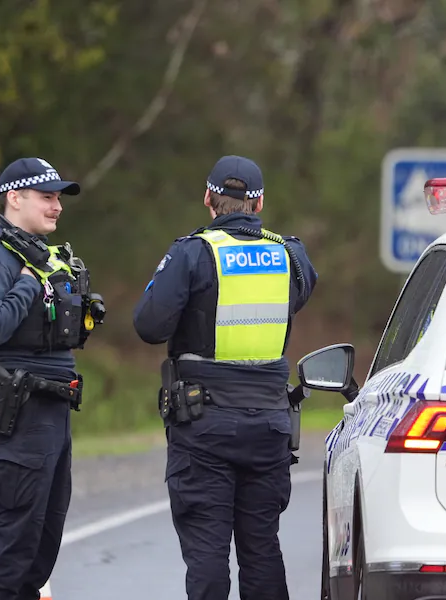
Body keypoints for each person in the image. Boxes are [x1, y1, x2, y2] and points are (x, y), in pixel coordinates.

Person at [132, 155, 318, 600]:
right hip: (270, 423)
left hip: (204, 424)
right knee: (261, 550)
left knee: (208, 553)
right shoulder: (290, 255)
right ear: (258, 204)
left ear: (208, 198)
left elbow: (149, 325)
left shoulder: (192, 253)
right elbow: (301, 292)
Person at [0, 157, 106, 600]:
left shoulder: (46, 258)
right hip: (22, 410)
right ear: (15, 198)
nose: (57, 206)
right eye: (47, 197)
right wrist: (28, 282)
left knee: (43, 542)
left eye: (58, 198)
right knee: (16, 541)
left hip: (55, 409)